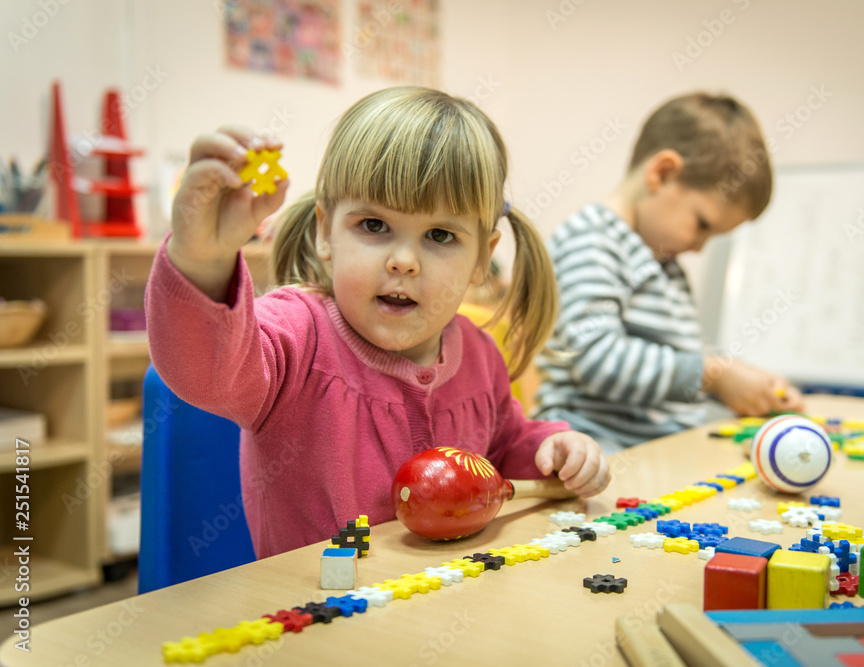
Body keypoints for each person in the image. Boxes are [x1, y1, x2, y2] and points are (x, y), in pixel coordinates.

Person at [146, 87, 610, 558]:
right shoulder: (296, 334)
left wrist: (553, 449)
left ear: (480, 259)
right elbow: (209, 372)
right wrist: (202, 261)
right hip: (320, 616)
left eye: (440, 235)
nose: (404, 261)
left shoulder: (479, 354)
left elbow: (505, 446)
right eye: (373, 225)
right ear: (325, 231)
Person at [534, 92, 805, 454]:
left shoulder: (661, 261)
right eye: (702, 225)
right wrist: (715, 376)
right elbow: (595, 358)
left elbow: (679, 352)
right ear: (661, 173)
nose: (699, 247)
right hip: (596, 436)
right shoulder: (591, 241)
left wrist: (740, 378)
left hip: (655, 436)